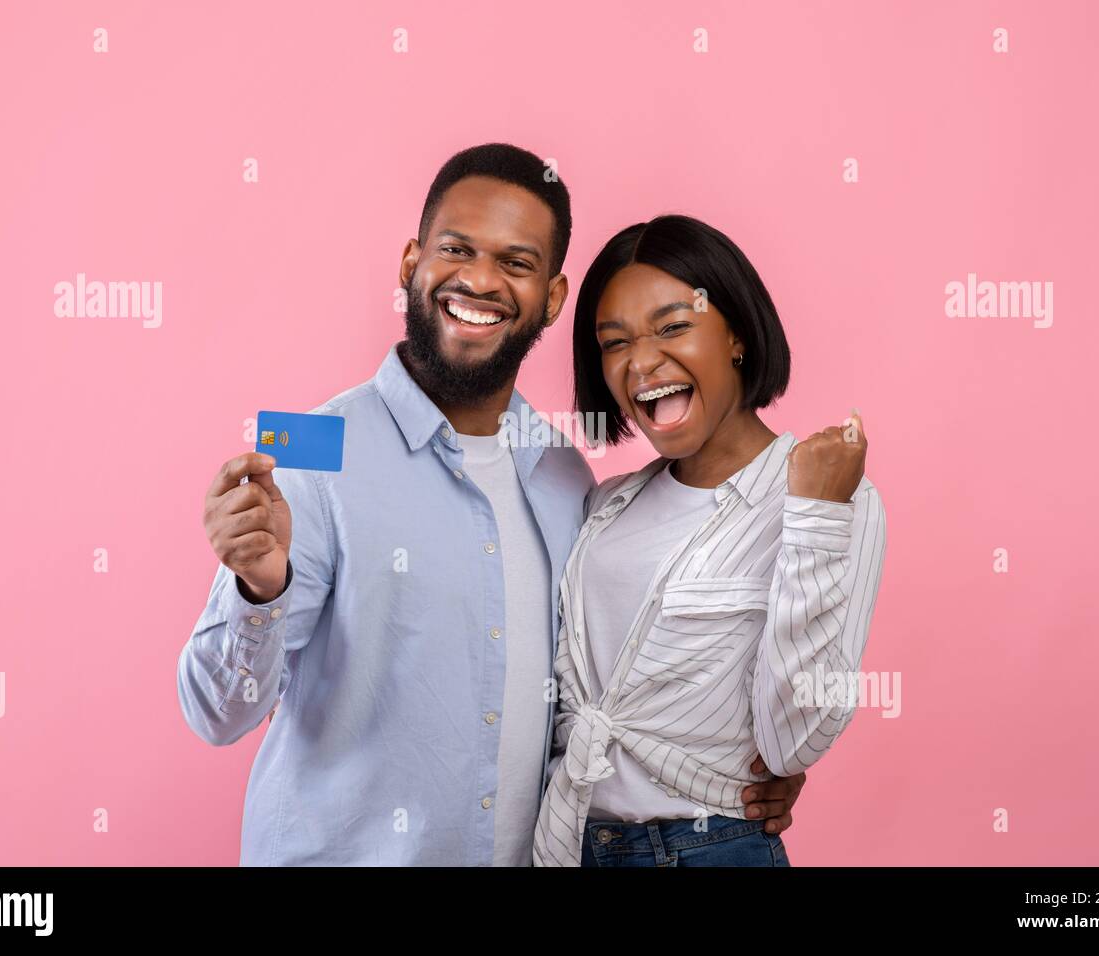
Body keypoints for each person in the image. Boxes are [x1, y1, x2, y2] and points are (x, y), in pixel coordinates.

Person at [177, 145, 805, 866]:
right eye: (456, 249)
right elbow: (217, 714)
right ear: (411, 262)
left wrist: (740, 768)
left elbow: (604, 692)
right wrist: (260, 587)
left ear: (552, 296)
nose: (479, 279)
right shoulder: (317, 453)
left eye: (515, 262)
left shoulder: (565, 475)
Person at [533, 215, 887, 867]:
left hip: (705, 849)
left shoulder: (830, 495)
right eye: (615, 343)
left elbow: (793, 742)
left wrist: (814, 515)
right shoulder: (606, 505)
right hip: (571, 841)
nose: (642, 362)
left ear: (736, 337)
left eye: (673, 326)